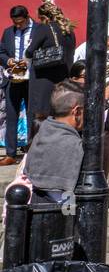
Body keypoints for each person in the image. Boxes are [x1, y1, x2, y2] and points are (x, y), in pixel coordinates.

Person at [23, 79, 85, 207]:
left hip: (37, 204)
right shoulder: (74, 145)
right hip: (64, 210)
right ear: (77, 112)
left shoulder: (41, 135)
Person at [26, 0, 76, 126]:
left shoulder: (44, 29)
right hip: (64, 78)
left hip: (44, 79)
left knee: (40, 115)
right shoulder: (69, 30)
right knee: (59, 114)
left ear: (44, 17)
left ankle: (38, 144)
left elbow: (29, 52)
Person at [0, 5, 33, 163]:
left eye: (20, 22)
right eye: (15, 23)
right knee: (11, 116)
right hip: (13, 79)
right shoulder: (8, 32)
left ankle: (33, 151)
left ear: (27, 17)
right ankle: (11, 154)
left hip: (31, 79)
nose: (18, 26)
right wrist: (8, 60)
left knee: (32, 115)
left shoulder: (38, 30)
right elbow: (1, 52)